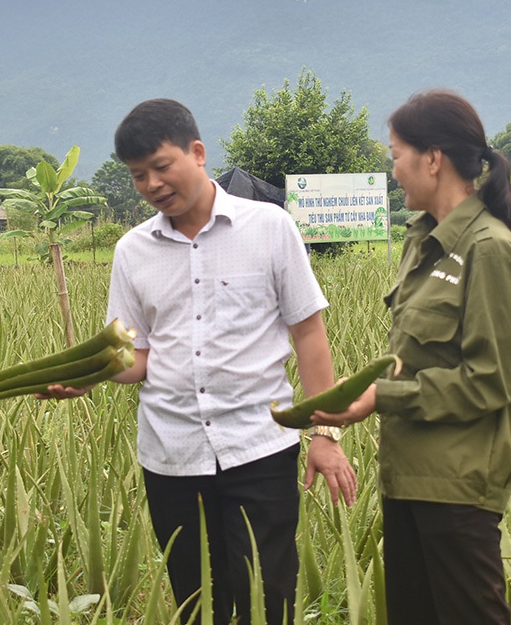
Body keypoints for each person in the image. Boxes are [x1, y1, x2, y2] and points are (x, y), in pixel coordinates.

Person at [41, 98, 357, 624]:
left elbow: (308, 332)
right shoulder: (131, 252)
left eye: (161, 167)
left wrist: (325, 436)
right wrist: (88, 378)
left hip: (259, 445)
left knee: (267, 597)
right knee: (196, 599)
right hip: (171, 454)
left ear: (197, 152)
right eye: (139, 175)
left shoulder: (270, 227)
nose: (152, 184)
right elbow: (136, 357)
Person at [313, 89, 511, 625]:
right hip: (408, 474)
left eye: (395, 154)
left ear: (432, 158)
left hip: (459, 482)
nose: (393, 170)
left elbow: (491, 381)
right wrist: (359, 388)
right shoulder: (423, 239)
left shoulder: (491, 249)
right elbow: (411, 357)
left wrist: (377, 398)